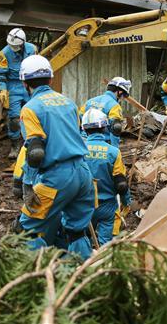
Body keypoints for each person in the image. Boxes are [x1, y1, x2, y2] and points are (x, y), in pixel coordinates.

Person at [15, 55, 94, 259]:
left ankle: (35, 279)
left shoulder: (30, 109)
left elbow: (35, 152)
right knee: (76, 231)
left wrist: (27, 184)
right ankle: (82, 277)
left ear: (24, 83)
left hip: (57, 178)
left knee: (26, 229)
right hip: (83, 173)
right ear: (50, 79)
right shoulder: (69, 103)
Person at [81, 108, 131, 246]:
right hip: (107, 206)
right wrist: (127, 202)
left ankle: (84, 262)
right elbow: (121, 183)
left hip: (83, 204)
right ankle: (102, 261)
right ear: (104, 128)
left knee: (81, 239)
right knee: (104, 244)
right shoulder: (114, 152)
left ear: (84, 129)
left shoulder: (79, 149)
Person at [0, 28, 37, 159]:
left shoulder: (32, 49)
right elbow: (1, 75)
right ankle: (15, 145)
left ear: (23, 43)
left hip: (29, 85)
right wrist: (3, 89)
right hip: (13, 86)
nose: (13, 48)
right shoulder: (4, 54)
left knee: (33, 115)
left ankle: (33, 143)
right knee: (14, 119)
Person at [80, 77, 132, 148]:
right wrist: (115, 149)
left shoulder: (89, 101)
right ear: (120, 92)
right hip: (102, 144)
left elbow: (78, 119)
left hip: (84, 143)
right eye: (124, 95)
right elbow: (116, 128)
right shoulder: (114, 106)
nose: (122, 98)